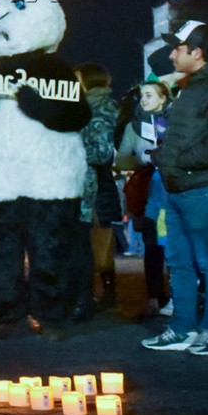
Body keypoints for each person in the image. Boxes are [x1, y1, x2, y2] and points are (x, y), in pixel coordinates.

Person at [142, 22, 208, 356]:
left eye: (178, 48)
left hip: (203, 188)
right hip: (180, 186)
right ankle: (182, 328)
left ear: (197, 53)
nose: (172, 55)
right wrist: (168, 159)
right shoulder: (196, 84)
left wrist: (182, 162)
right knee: (180, 262)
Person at [116, 81, 172, 317]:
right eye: (141, 96)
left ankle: (178, 296)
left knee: (174, 245)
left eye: (149, 95)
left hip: (171, 187)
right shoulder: (134, 127)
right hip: (147, 190)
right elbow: (121, 159)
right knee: (152, 246)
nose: (144, 100)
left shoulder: (175, 121)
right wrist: (142, 161)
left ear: (163, 98)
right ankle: (154, 296)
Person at [72, 63, 122, 319]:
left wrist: (71, 150)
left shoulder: (100, 108)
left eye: (78, 77)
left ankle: (96, 296)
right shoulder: (86, 107)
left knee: (97, 243)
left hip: (95, 187)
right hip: (89, 186)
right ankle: (90, 294)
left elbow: (101, 152)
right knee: (90, 243)